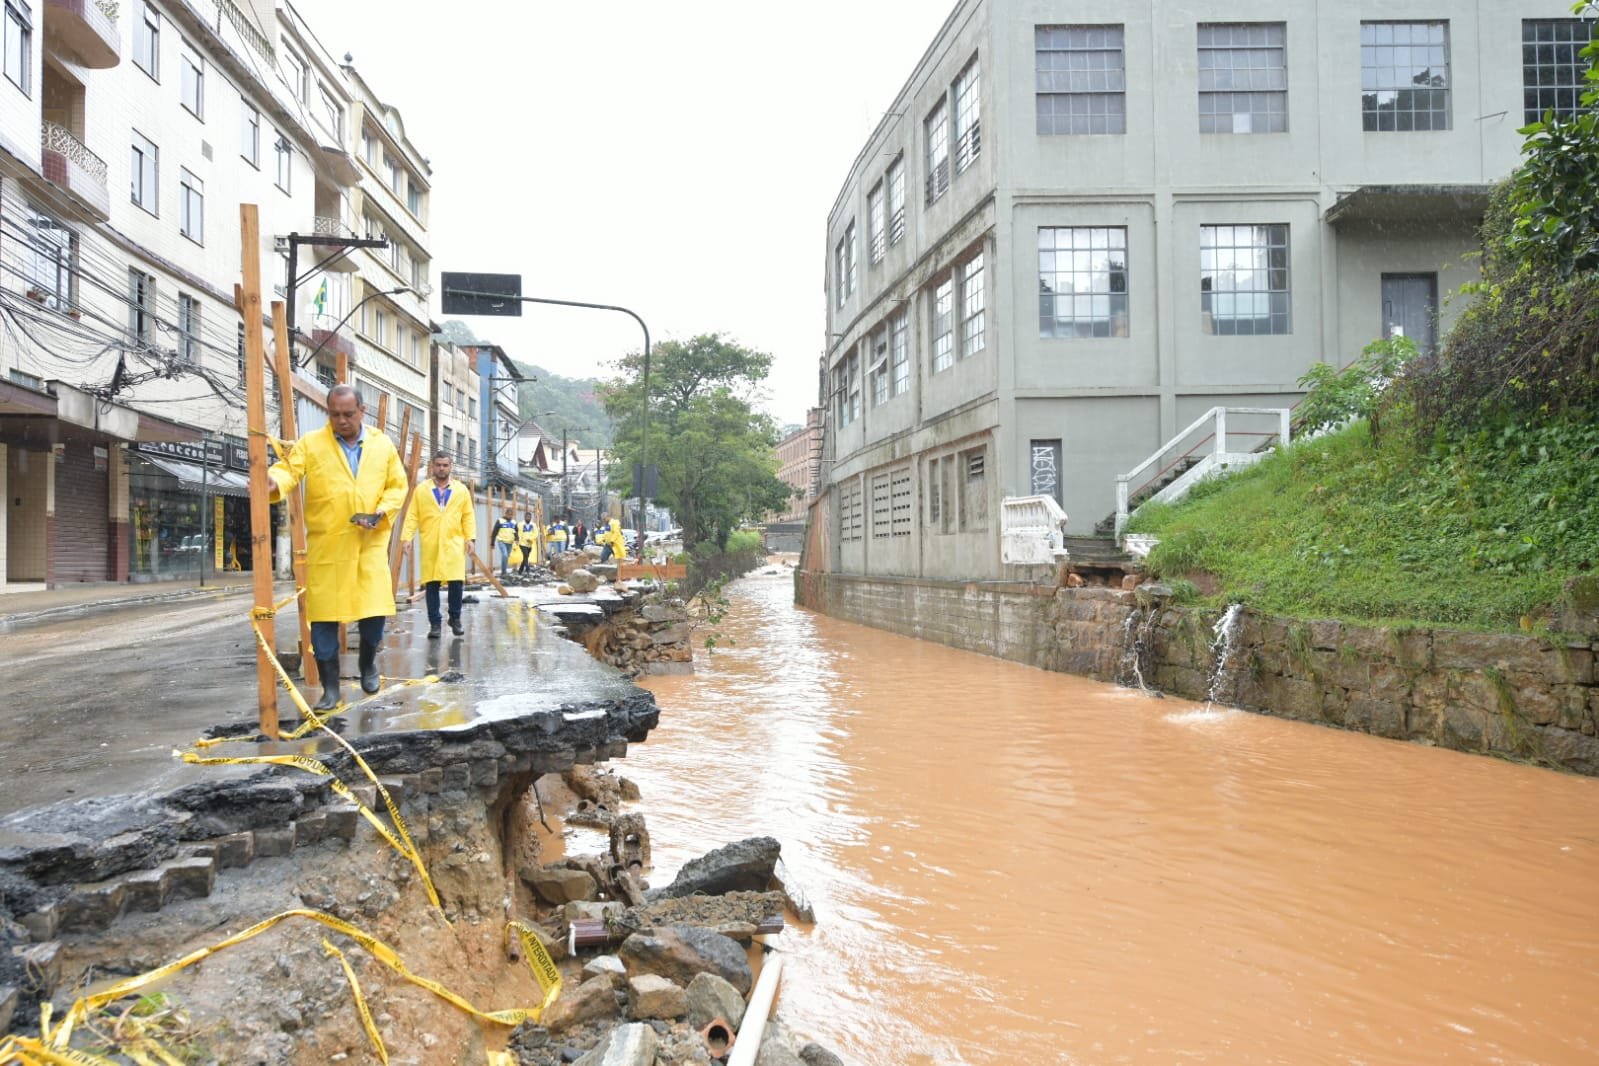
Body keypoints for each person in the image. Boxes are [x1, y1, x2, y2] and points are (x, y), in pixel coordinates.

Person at [266, 384, 408, 710]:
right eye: (334, 415)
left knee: (373, 613)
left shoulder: (382, 445)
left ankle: (367, 664)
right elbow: (289, 469)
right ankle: (331, 688)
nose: (341, 421)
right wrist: (274, 482)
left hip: (369, 543)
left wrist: (381, 511)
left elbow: (397, 485)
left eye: (348, 414)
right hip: (328, 545)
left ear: (362, 411)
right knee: (323, 620)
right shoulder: (312, 444)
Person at [400, 451, 475, 639]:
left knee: (456, 583)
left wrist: (470, 538)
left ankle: (455, 618)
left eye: (445, 465)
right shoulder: (421, 490)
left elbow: (468, 516)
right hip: (431, 543)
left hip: (454, 543)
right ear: (432, 466)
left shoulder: (461, 490)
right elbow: (412, 515)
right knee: (431, 584)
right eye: (438, 465)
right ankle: (435, 624)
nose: (442, 468)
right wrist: (407, 538)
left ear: (451, 467)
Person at [492, 508, 517, 577]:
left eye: (511, 515)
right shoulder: (500, 521)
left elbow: (516, 532)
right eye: (508, 514)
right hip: (501, 541)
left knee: (506, 557)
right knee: (505, 555)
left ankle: (504, 570)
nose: (510, 516)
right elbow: (494, 532)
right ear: (505, 514)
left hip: (510, 542)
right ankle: (504, 572)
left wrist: (517, 540)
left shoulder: (514, 522)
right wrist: (492, 543)